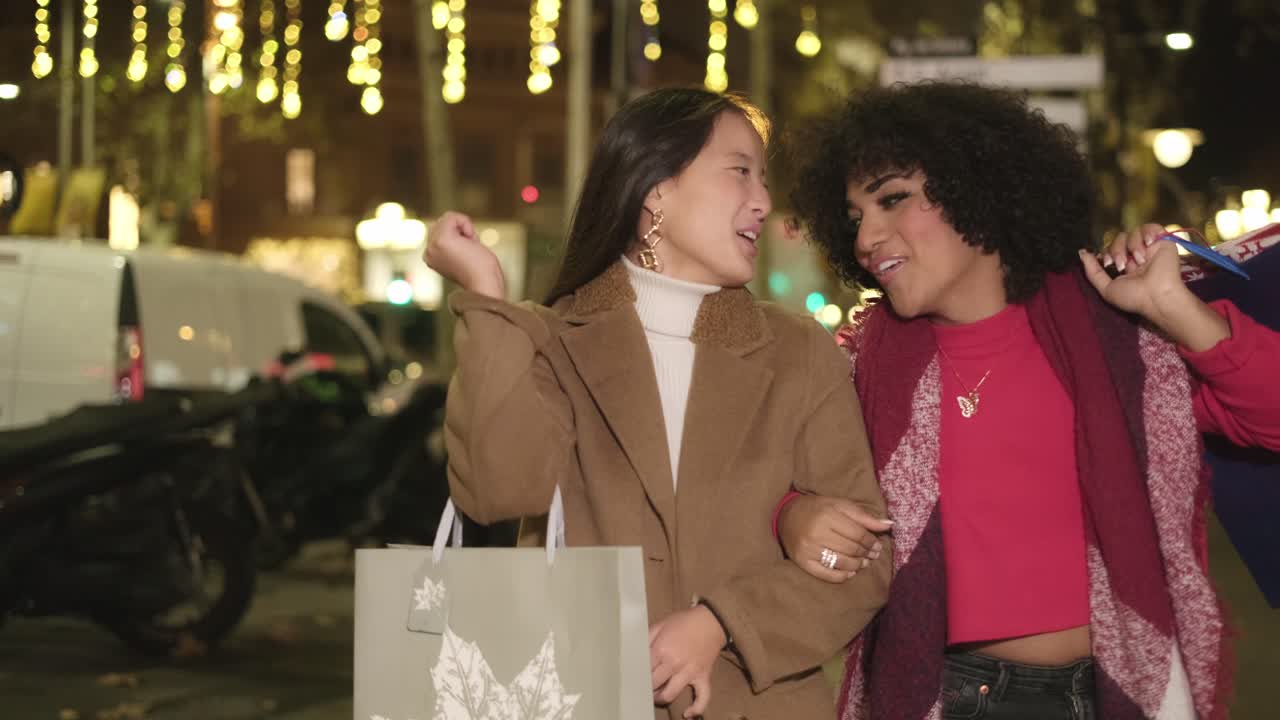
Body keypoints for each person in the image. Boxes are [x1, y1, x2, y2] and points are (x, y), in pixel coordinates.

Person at [777, 81, 1280, 719]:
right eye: (854, 218)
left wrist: (1175, 309)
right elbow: (776, 484)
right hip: (946, 698)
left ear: (976, 187)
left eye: (893, 200)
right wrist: (794, 517)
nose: (866, 238)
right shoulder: (860, 368)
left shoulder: (1120, 344)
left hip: (1116, 692)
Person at [423, 87, 892, 720]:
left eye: (763, 178)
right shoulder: (556, 340)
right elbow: (496, 491)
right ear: (655, 190)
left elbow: (863, 562)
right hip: (582, 696)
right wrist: (486, 296)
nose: (761, 201)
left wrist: (722, 623)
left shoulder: (796, 351)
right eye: (739, 172)